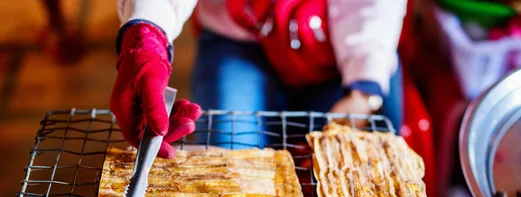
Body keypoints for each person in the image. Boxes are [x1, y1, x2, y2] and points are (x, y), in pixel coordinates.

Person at [110, 0, 407, 154]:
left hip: (345, 31)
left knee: (369, 162)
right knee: (228, 155)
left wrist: (364, 89)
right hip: (237, 34)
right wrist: (146, 37)